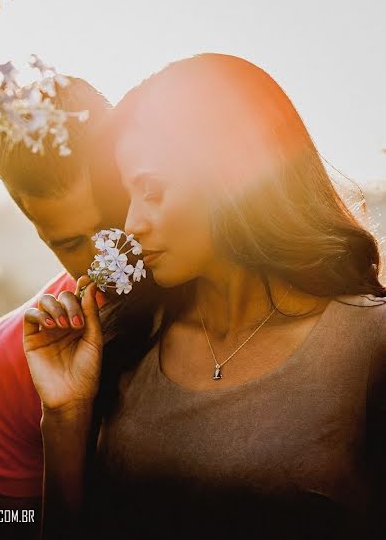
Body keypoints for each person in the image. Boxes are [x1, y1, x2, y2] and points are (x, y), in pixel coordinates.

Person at [25, 53, 386, 539]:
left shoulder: (370, 346)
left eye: (152, 191)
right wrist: (66, 414)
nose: (132, 223)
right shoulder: (125, 343)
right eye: (129, 197)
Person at [0, 75, 128, 539]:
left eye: (113, 222)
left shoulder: (222, 299)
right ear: (35, 228)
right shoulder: (13, 359)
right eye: (71, 243)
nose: (107, 257)